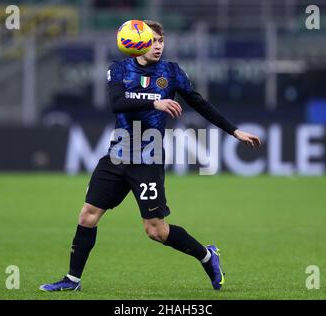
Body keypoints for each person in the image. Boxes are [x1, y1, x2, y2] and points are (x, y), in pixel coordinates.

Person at [40, 20, 261, 292]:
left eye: (161, 41)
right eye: (152, 41)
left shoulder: (171, 72)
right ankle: (72, 280)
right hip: (118, 154)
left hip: (148, 157)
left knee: (156, 231)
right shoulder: (119, 68)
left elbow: (200, 104)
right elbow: (116, 103)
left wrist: (234, 131)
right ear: (138, 42)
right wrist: (155, 102)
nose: (157, 46)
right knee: (87, 215)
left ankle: (207, 256)